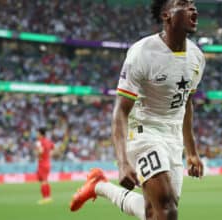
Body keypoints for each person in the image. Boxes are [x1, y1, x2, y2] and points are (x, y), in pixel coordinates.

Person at [70, 0, 205, 219]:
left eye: (193, 4)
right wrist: (123, 162)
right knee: (167, 209)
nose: (193, 8)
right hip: (143, 131)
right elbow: (121, 111)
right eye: (183, 3)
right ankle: (101, 185)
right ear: (166, 15)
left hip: (172, 138)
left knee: (154, 213)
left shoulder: (197, 58)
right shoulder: (142, 53)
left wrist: (191, 152)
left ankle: (100, 186)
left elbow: (186, 102)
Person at [36, 127, 54, 204]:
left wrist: (38, 154)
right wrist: (48, 156)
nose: (36, 134)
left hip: (42, 163)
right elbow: (53, 148)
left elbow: (40, 151)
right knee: (45, 181)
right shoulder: (48, 141)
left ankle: (45, 198)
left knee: (43, 181)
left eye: (37, 133)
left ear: (40, 134)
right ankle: (48, 197)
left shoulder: (40, 142)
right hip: (48, 163)